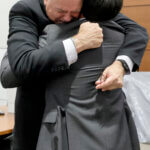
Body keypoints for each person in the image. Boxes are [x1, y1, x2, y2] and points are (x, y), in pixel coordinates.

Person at [0, 0, 148, 149]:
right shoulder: (26, 11)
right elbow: (13, 71)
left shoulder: (89, 9)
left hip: (79, 125)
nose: (67, 18)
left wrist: (120, 65)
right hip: (35, 117)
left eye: (74, 13)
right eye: (61, 12)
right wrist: (77, 43)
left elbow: (137, 30)